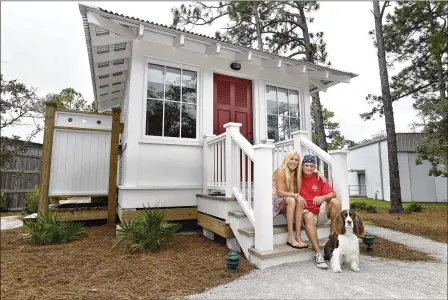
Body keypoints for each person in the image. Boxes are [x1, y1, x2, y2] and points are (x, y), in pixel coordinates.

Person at [296, 154, 342, 269]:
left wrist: (322, 197)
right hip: (305, 213)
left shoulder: (318, 178)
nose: (309, 168)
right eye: (306, 165)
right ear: (302, 166)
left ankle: (332, 238)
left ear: (314, 167)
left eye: (312, 166)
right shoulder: (297, 177)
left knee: (336, 202)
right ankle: (318, 253)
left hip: (320, 212)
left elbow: (332, 194)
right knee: (309, 216)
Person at [272, 151, 326, 249]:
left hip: (287, 200)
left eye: (296, 160)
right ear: (287, 160)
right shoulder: (281, 170)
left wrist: (317, 171)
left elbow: (309, 168)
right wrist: (296, 195)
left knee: (299, 200)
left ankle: (298, 236)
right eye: (291, 159)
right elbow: (279, 193)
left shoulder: (296, 171)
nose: (294, 162)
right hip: (275, 200)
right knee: (294, 199)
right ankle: (290, 237)